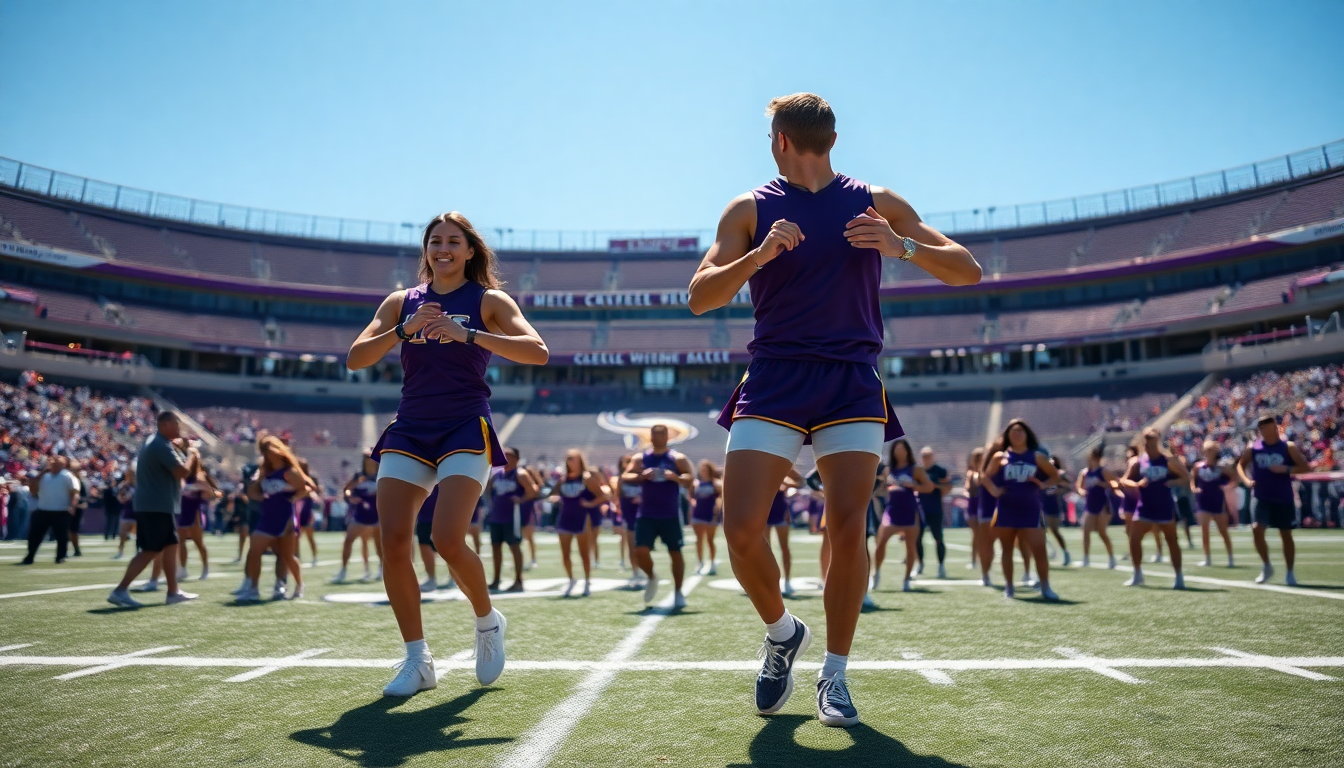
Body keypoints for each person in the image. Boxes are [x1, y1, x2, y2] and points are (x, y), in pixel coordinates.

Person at [687, 93, 980, 727]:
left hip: (851, 379)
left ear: (780, 141)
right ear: (832, 138)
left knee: (847, 528)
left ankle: (836, 674)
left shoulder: (876, 201)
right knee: (741, 531)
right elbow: (700, 296)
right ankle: (782, 633)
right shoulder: (749, 208)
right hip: (775, 376)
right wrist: (756, 257)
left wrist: (901, 246)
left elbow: (967, 270)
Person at [346, 210, 548, 697]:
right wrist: (403, 330)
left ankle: (487, 620)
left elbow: (537, 351)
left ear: (470, 250)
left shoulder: (489, 299)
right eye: (435, 240)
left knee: (447, 539)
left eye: (453, 241)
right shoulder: (402, 301)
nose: (443, 249)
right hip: (411, 426)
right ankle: (418, 660)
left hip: (464, 424)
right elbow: (356, 358)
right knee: (395, 541)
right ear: (426, 250)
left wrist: (469, 334)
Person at [106, 411, 200, 608]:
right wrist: (192, 455)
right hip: (156, 506)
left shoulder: (153, 441)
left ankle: (173, 591)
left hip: (156, 504)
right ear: (164, 425)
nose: (179, 430)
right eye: (176, 425)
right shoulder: (161, 444)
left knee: (171, 545)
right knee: (151, 550)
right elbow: (182, 472)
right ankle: (120, 590)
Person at [981, 420, 1061, 600]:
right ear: (1007, 435)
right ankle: (1009, 587)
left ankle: (1046, 587)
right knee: (1007, 549)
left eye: (1020, 431)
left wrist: (1043, 485)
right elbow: (985, 476)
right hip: (1006, 508)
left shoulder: (1037, 456)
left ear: (1027, 434)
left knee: (1039, 549)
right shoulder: (1000, 457)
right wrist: (994, 490)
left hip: (1030, 508)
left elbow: (1056, 475)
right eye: (1013, 431)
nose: (1016, 434)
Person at [622, 424, 694, 607]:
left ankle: (678, 591)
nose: (658, 438)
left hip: (670, 513)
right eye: (655, 434)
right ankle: (652, 576)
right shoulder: (641, 458)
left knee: (675, 551)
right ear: (651, 437)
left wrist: (675, 477)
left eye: (662, 434)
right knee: (640, 551)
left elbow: (689, 478)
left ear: (667, 437)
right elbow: (625, 476)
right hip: (646, 512)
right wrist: (642, 475)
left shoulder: (677, 458)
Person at [236, 435, 311, 601]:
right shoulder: (264, 471)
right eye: (264, 451)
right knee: (254, 551)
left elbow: (306, 489)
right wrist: (258, 493)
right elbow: (252, 492)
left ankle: (297, 585)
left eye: (269, 450)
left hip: (285, 518)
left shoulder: (289, 472)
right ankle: (253, 589)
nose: (267, 454)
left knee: (287, 556)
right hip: (267, 517)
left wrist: (293, 498)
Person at [1237, 414, 1310, 586]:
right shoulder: (1253, 447)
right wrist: (1247, 481)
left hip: (1283, 496)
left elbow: (1304, 467)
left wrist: (1285, 469)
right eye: (1260, 426)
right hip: (1261, 495)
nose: (1262, 429)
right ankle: (1266, 565)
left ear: (1274, 427)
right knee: (1257, 528)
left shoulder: (1287, 446)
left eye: (1266, 426)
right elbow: (1241, 465)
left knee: (1285, 534)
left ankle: (1290, 572)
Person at [1120, 428, 1190, 589]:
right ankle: (1137, 574)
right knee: (1134, 538)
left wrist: (1171, 482)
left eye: (1151, 439)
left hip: (1164, 505)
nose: (1148, 443)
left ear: (1158, 440)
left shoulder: (1168, 459)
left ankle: (1179, 577)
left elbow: (1186, 476)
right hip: (1144, 506)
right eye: (1146, 439)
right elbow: (1124, 480)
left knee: (1172, 540)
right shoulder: (1139, 461)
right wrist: (1137, 484)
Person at [873, 440, 934, 592]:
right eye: (897, 449)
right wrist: (885, 489)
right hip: (892, 511)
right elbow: (883, 488)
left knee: (910, 546)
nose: (900, 452)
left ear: (908, 451)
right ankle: (876, 574)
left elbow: (929, 487)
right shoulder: (888, 470)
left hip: (910, 510)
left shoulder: (915, 469)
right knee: (880, 543)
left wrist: (914, 485)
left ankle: (906, 580)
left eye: (902, 449)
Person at [553, 450, 609, 597]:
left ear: (580, 461)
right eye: (568, 459)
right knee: (565, 553)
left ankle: (587, 581)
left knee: (584, 553)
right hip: (565, 517)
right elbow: (553, 494)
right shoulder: (563, 479)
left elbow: (603, 496)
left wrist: (591, 504)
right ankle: (571, 580)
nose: (570, 461)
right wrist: (554, 498)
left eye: (573, 459)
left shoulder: (587, 478)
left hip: (582, 517)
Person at [484, 447, 535, 593]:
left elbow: (533, 491)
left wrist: (521, 499)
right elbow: (488, 491)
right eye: (504, 455)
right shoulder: (497, 474)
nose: (505, 458)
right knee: (495, 547)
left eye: (509, 455)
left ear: (517, 459)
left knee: (514, 546)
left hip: (512, 517)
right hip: (496, 517)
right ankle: (496, 579)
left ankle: (518, 580)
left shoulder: (520, 474)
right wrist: (491, 504)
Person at [21, 456, 79, 565]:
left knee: (61, 536)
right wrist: (40, 475)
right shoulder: (44, 476)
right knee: (35, 535)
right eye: (53, 461)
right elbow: (33, 491)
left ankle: (60, 556)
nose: (54, 463)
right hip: (43, 509)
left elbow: (74, 493)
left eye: (57, 462)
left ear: (63, 465)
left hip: (61, 510)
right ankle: (30, 555)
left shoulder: (68, 476)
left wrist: (73, 506)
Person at [335, 452, 382, 584]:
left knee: (378, 543)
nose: (370, 462)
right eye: (367, 460)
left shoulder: (381, 475)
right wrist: (350, 496)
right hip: (360, 515)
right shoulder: (359, 476)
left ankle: (381, 568)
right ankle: (343, 570)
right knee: (348, 540)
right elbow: (346, 489)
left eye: (372, 460)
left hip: (377, 515)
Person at [1192, 439, 1235, 568]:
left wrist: (1227, 487)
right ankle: (1207, 558)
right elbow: (1193, 480)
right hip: (1203, 502)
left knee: (1223, 531)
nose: (1207, 452)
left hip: (1217, 502)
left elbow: (1235, 478)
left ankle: (1230, 557)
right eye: (1206, 449)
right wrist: (1194, 489)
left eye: (1210, 450)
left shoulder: (1222, 467)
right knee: (1204, 530)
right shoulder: (1198, 466)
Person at [1076, 445, 1119, 568]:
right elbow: (1079, 486)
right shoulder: (1085, 472)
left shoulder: (1103, 471)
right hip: (1090, 504)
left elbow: (1115, 482)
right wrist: (1082, 492)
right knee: (1085, 531)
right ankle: (1086, 558)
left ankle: (1111, 557)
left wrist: (1102, 483)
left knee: (1101, 532)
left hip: (1102, 504)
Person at [176, 462, 219, 581]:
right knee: (181, 542)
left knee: (198, 543)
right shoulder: (181, 479)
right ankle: (182, 569)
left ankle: (205, 568)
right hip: (182, 513)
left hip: (196, 514)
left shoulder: (200, 479)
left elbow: (211, 494)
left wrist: (203, 488)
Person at [914, 446, 951, 578]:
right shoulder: (918, 470)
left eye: (928, 456)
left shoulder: (940, 471)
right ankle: (920, 564)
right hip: (920, 508)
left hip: (935, 508)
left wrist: (934, 486)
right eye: (924, 456)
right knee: (917, 538)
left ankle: (941, 566)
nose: (926, 459)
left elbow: (948, 487)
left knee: (938, 537)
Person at [767, 471, 804, 596]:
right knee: (765, 549)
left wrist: (785, 482)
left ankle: (787, 581)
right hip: (764, 512)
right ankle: (769, 581)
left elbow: (800, 482)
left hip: (780, 512)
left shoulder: (784, 474)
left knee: (784, 547)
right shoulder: (761, 470)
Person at [615, 454, 647, 587]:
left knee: (643, 547)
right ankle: (635, 572)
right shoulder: (623, 479)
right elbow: (618, 497)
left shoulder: (644, 478)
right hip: (629, 517)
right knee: (631, 546)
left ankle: (644, 571)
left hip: (643, 517)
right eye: (627, 462)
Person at [414, 487, 454, 592]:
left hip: (443, 514)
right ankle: (431, 578)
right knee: (424, 545)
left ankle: (454, 577)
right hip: (423, 514)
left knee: (447, 546)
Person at [975, 439, 1003, 587]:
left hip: (1007, 505)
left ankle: (1027, 572)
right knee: (988, 542)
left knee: (1013, 542)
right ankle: (985, 574)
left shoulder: (1010, 462)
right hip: (989, 507)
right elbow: (982, 478)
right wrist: (995, 490)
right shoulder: (988, 467)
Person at [690, 460, 723, 576]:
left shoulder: (716, 483)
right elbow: (692, 497)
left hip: (711, 515)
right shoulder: (696, 483)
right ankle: (699, 562)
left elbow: (720, 498)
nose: (703, 471)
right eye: (701, 469)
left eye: (705, 469)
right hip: (698, 514)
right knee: (699, 539)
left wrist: (716, 512)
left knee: (710, 540)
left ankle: (712, 562)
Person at [1040, 455, 1071, 567]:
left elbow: (1068, 486)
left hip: (1053, 506)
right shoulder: (1041, 473)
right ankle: (1048, 552)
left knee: (1054, 530)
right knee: (1040, 532)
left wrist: (1056, 490)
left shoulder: (1059, 474)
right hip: (1040, 505)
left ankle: (1065, 552)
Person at [295, 458, 321, 566]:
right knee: (296, 537)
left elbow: (316, 491)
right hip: (296, 511)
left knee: (310, 536)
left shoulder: (311, 478)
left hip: (307, 510)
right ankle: (297, 558)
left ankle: (314, 557)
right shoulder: (294, 477)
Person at [963, 447, 984, 572]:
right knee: (976, 535)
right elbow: (969, 489)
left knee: (985, 535)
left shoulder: (988, 472)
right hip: (974, 506)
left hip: (985, 505)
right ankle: (974, 560)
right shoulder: (971, 474)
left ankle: (983, 558)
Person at [114, 470, 136, 559]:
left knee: (138, 535)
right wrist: (123, 499)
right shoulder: (124, 486)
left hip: (137, 512)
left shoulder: (139, 485)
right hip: (127, 511)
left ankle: (137, 551)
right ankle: (120, 551)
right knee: (122, 534)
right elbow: (119, 497)